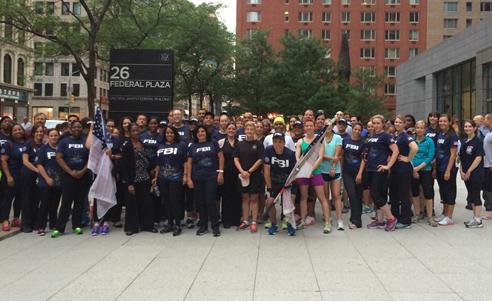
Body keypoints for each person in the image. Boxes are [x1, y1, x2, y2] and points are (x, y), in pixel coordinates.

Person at [51, 120, 90, 238]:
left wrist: (83, 171)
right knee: (66, 202)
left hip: (83, 176)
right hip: (68, 176)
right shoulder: (64, 141)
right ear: (71, 129)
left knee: (79, 202)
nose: (77, 129)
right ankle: (60, 228)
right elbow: (59, 158)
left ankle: (76, 225)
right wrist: (70, 172)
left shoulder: (86, 141)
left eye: (79, 127)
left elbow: (91, 158)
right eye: (75, 127)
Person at [295, 120, 332, 233]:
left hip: (315, 171)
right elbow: (297, 157)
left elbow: (320, 157)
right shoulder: (300, 141)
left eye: (311, 125)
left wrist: (310, 169)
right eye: (307, 126)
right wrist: (304, 169)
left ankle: (327, 222)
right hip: (303, 173)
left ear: (314, 127)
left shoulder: (319, 140)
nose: (309, 127)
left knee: (322, 198)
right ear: (304, 127)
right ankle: (302, 220)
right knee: (303, 197)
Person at [187, 125, 224, 237]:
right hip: (197, 177)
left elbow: (221, 157)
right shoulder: (192, 146)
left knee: (210, 201)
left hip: (211, 176)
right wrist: (188, 178)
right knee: (200, 202)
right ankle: (203, 226)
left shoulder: (213, 143)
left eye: (202, 131)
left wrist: (220, 172)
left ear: (206, 133)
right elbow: (189, 162)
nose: (200, 133)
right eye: (198, 132)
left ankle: (215, 226)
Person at [365, 115, 399, 231]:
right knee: (378, 194)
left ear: (383, 124)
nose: (375, 125)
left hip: (380, 169)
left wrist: (388, 165)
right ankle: (380, 220)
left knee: (376, 194)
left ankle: (391, 218)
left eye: (378, 123)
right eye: (374, 123)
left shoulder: (386, 136)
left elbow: (395, 150)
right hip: (370, 168)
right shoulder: (372, 136)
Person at [121, 124, 156, 235]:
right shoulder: (127, 146)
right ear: (129, 132)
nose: (136, 132)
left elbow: (147, 159)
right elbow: (124, 166)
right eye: (133, 131)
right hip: (133, 178)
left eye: (137, 130)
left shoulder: (142, 144)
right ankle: (132, 227)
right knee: (132, 203)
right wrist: (129, 184)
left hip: (144, 177)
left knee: (146, 202)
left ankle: (147, 225)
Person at [154, 126, 188, 236]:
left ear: (175, 134)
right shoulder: (160, 146)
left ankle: (177, 224)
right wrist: (155, 177)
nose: (169, 134)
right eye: (167, 133)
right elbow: (158, 164)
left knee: (175, 201)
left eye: (171, 133)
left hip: (176, 177)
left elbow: (185, 162)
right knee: (166, 201)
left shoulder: (181, 145)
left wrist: (185, 176)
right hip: (163, 178)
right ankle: (169, 223)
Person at [263, 133, 297, 236]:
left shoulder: (290, 154)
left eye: (280, 141)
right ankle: (274, 224)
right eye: (275, 141)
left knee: (290, 202)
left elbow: (294, 173)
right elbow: (266, 171)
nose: (277, 144)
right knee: (269, 202)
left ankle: (289, 223)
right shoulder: (268, 150)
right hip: (274, 182)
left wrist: (289, 183)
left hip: (288, 182)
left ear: (284, 142)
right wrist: (269, 188)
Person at [235, 121, 264, 233]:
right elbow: (235, 158)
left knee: (254, 198)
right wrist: (242, 171)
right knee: (245, 198)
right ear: (245, 130)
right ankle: (246, 220)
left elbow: (260, 159)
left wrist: (250, 171)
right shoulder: (240, 144)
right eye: (248, 129)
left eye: (252, 129)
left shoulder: (259, 144)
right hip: (243, 176)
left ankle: (254, 221)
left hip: (255, 175)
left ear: (254, 130)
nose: (250, 131)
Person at [390, 115, 418, 229]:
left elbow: (415, 148)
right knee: (394, 194)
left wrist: (408, 158)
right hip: (395, 168)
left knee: (404, 194)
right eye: (396, 122)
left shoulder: (405, 136)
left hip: (403, 169)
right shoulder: (395, 135)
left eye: (400, 122)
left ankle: (406, 220)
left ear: (404, 124)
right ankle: (395, 217)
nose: (397, 124)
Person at [35, 129, 62, 235]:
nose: (54, 137)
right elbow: (39, 165)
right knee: (45, 204)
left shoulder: (60, 149)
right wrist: (47, 178)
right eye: (51, 135)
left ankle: (53, 224)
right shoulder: (43, 149)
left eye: (56, 135)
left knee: (55, 204)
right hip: (45, 181)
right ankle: (41, 227)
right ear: (48, 137)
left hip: (58, 181)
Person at [434, 114, 459, 226]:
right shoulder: (440, 134)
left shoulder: (452, 136)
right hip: (439, 167)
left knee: (450, 192)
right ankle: (445, 214)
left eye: (445, 121)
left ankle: (449, 217)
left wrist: (448, 170)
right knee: (443, 191)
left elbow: (453, 155)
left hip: (448, 168)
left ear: (449, 122)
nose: (442, 123)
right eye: (440, 121)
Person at [459, 120, 485, 228]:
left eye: (470, 126)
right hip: (466, 174)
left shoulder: (478, 141)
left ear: (474, 128)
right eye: (465, 126)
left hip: (475, 173)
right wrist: (461, 171)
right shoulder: (464, 141)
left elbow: (478, 158)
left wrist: (469, 171)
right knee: (471, 196)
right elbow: (461, 158)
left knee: (476, 195)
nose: (467, 128)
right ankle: (475, 217)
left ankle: (478, 220)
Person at [411, 120, 437, 227]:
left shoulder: (429, 141)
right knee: (415, 192)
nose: (419, 130)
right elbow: (409, 155)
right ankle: (417, 214)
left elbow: (430, 157)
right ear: (415, 129)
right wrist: (413, 169)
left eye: (422, 128)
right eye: (418, 127)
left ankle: (430, 217)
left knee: (428, 193)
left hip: (425, 170)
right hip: (413, 170)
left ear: (425, 129)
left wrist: (418, 168)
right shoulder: (411, 140)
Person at [0, 124, 26, 231]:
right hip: (10, 177)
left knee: (19, 199)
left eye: (19, 129)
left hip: (23, 178)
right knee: (7, 199)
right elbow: (3, 161)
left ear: (23, 131)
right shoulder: (8, 144)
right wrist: (8, 176)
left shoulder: (26, 144)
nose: (17, 131)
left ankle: (16, 218)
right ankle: (5, 220)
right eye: (15, 130)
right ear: (11, 133)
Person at [341, 122, 366, 229]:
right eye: (355, 129)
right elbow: (342, 155)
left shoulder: (363, 144)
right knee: (351, 194)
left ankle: (357, 220)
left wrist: (360, 174)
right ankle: (354, 219)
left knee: (358, 196)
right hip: (347, 172)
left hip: (358, 173)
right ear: (352, 129)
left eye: (359, 130)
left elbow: (364, 160)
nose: (356, 131)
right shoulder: (345, 140)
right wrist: (341, 168)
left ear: (361, 131)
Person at [20, 125, 44, 233]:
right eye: (37, 131)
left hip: (38, 176)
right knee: (27, 200)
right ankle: (26, 224)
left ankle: (35, 223)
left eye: (41, 131)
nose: (39, 133)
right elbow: (25, 161)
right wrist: (37, 170)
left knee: (36, 199)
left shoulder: (43, 146)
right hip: (28, 175)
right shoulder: (28, 144)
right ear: (33, 133)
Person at [320, 120, 343, 230]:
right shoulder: (320, 138)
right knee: (325, 196)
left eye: (330, 125)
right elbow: (320, 155)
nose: (328, 127)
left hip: (335, 170)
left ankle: (339, 220)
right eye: (326, 125)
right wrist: (331, 158)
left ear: (333, 126)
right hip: (323, 170)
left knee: (336, 195)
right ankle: (328, 218)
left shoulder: (337, 138)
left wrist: (333, 166)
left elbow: (337, 154)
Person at [218, 123, 241, 228]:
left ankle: (236, 219)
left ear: (236, 130)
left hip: (237, 174)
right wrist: (220, 173)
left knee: (237, 196)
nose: (231, 130)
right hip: (226, 173)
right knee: (226, 197)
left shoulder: (240, 143)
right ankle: (226, 220)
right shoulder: (221, 143)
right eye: (229, 128)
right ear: (226, 130)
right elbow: (218, 159)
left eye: (233, 128)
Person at [483, 114, 492, 217]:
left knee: (489, 188)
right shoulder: (489, 133)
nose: (483, 121)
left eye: (485, 119)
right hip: (486, 165)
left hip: (490, 165)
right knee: (488, 187)